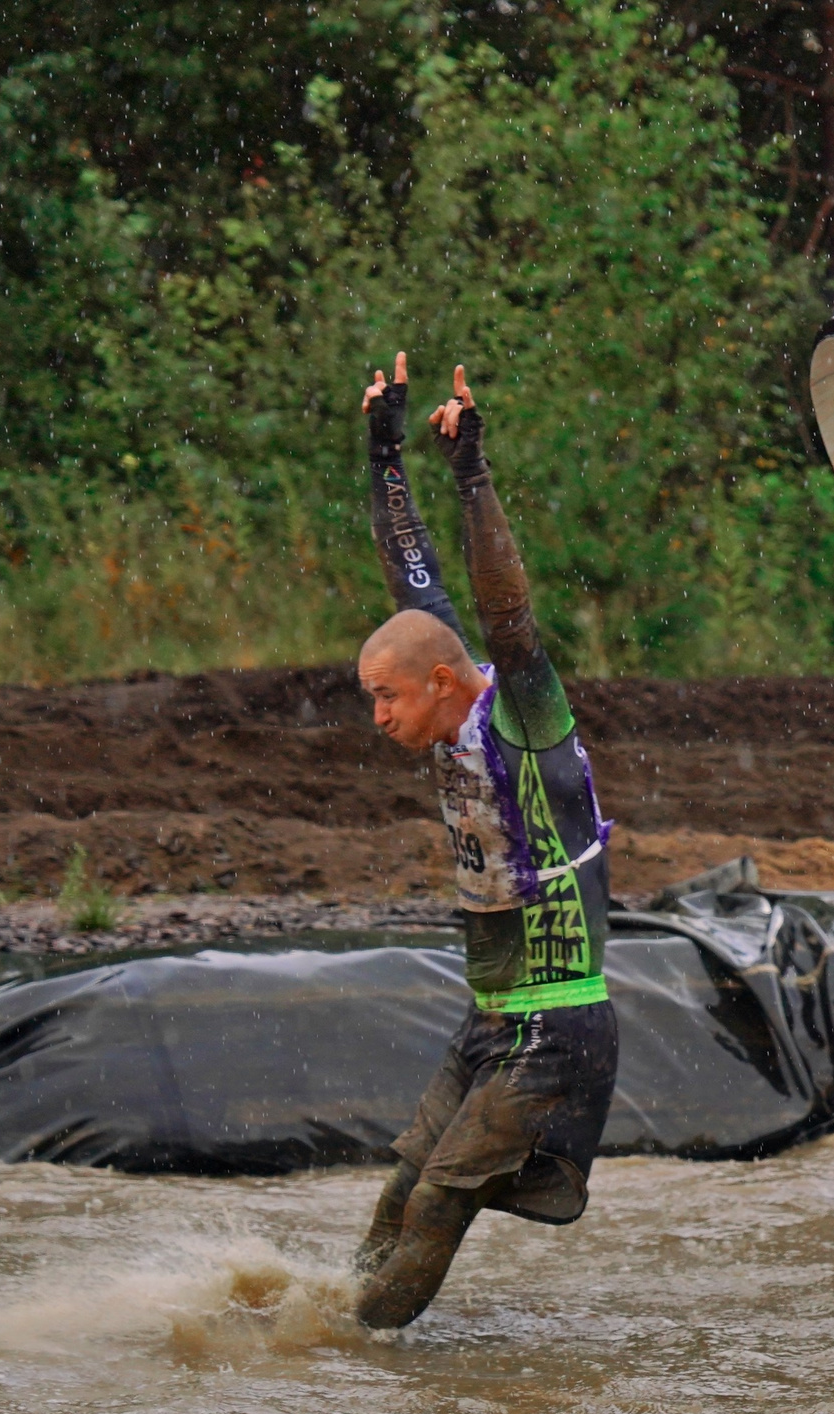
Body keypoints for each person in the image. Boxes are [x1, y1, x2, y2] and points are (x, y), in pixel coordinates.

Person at [348, 353, 618, 1330]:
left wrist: (473, 473)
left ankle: (348, 1356)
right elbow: (411, 582)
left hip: (558, 1022)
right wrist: (386, 449)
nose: (377, 715)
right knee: (396, 1191)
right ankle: (335, 1336)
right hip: (493, 1017)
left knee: (436, 1202)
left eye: (387, 696)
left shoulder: (526, 720)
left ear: (445, 685)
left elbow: (507, 616)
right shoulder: (441, 694)